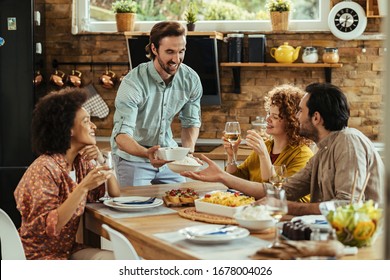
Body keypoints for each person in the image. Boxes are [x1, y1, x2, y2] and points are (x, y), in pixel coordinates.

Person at [183, 83, 384, 216]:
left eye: (300, 111)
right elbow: (283, 190)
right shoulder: (323, 150)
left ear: (316, 117)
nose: (296, 117)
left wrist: (283, 206)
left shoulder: (348, 142)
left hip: (365, 240)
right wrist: (222, 176)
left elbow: (347, 207)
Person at [14, 87, 121, 260]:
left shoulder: (80, 163)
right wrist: (83, 187)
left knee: (122, 262)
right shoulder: (43, 169)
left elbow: (114, 193)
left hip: (67, 251)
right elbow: (52, 227)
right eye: (86, 121)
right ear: (68, 129)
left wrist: (101, 160)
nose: (93, 126)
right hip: (39, 258)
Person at [111, 21, 202, 187]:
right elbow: (122, 136)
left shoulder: (190, 79)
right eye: (169, 52)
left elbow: (190, 122)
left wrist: (188, 153)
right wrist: (147, 153)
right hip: (134, 159)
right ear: (154, 49)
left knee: (180, 201)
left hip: (169, 158)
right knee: (135, 209)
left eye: (181, 51)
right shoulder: (133, 83)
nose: (176, 59)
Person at [223, 84, 313, 202]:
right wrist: (231, 155)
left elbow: (277, 194)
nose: (267, 119)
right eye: (268, 113)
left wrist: (263, 155)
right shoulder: (267, 146)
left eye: (275, 116)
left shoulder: (302, 155)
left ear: (292, 122)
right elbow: (235, 180)